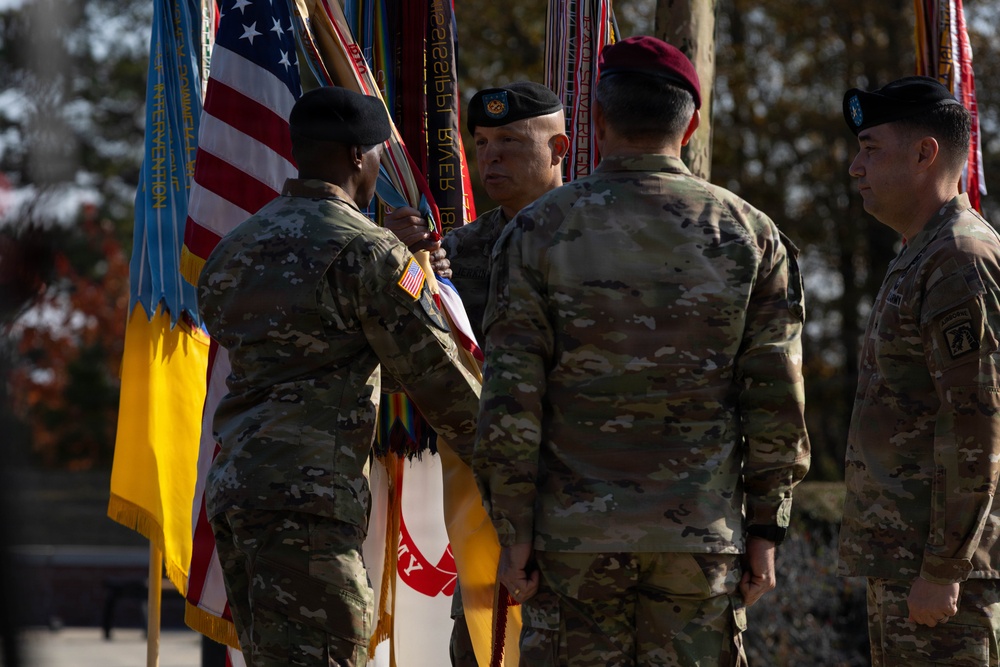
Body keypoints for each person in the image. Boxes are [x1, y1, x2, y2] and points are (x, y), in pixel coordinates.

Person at [473, 35, 811, 666]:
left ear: (597, 122)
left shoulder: (535, 231)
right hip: (700, 539)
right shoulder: (752, 235)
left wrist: (514, 532)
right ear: (692, 127)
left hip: (572, 541)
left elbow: (511, 399)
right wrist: (767, 527)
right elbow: (775, 400)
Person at [197, 86, 481, 667]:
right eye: (377, 151)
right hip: (312, 503)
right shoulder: (370, 254)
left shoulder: (235, 248)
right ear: (358, 156)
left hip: (239, 491)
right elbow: (446, 386)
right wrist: (528, 463)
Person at [387, 80, 569, 666]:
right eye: (483, 142)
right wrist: (401, 267)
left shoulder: (597, 239)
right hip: (486, 507)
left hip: (582, 498)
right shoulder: (456, 253)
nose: (490, 156)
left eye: (511, 142)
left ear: (559, 148)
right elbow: (416, 364)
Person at [837, 76, 1000, 665]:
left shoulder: (957, 257)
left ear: (925, 152)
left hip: (938, 579)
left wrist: (945, 567)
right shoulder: (923, 251)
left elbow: (976, 425)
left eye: (870, 148)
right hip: (908, 566)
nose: (856, 167)